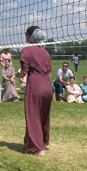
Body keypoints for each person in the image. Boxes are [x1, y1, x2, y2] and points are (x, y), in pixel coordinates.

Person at [16, 26, 52, 156]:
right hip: (47, 85)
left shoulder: (26, 50)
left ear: (30, 37)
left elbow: (24, 71)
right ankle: (45, 142)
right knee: (44, 115)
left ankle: (37, 148)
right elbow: (49, 72)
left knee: (33, 115)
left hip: (35, 84)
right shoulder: (46, 53)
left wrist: (17, 75)